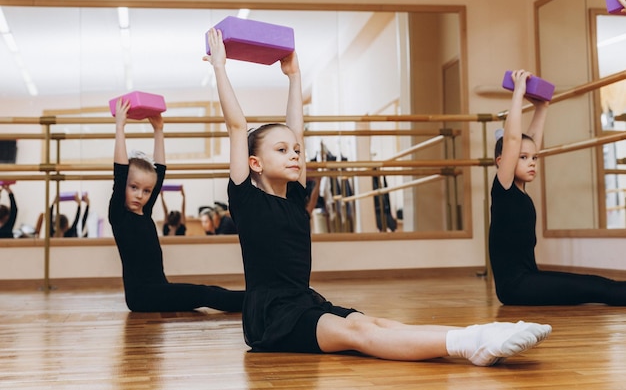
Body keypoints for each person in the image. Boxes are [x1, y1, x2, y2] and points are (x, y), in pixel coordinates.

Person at [205, 28, 551, 366]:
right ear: (255, 163)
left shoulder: (295, 196)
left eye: (296, 150)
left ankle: (476, 337)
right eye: (281, 150)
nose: (295, 154)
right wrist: (220, 67)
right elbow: (238, 126)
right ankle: (469, 344)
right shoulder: (246, 201)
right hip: (272, 317)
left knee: (372, 323)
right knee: (359, 336)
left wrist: (294, 77)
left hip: (302, 300)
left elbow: (299, 131)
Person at [489, 69, 626, 306]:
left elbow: (529, 142)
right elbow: (513, 141)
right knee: (596, 289)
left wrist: (542, 108)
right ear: (502, 162)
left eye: (534, 158)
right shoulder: (504, 189)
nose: (531, 162)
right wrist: (518, 93)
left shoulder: (519, 191)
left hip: (529, 279)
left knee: (595, 284)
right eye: (522, 158)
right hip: (516, 287)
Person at [108, 97, 245, 312]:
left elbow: (159, 171)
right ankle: (261, 303)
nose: (140, 195)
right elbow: (120, 172)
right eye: (133, 187)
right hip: (142, 297)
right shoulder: (119, 215)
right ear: (123, 186)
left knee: (206, 290)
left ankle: (258, 298)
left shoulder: (144, 212)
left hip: (158, 289)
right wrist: (120, 127)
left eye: (146, 191)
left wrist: (159, 130)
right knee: (203, 294)